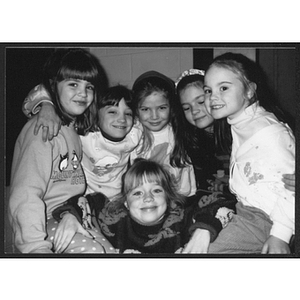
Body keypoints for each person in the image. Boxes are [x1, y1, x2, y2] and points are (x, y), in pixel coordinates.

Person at [8, 48, 115, 254]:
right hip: (41, 223)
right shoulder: (44, 129)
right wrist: (36, 247)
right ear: (53, 87)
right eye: (73, 84)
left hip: (71, 213)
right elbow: (26, 193)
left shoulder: (72, 129)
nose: (83, 94)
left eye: (89, 87)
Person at [203, 52, 295, 254]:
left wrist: (280, 234)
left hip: (268, 217)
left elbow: (293, 185)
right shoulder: (239, 122)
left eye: (224, 88)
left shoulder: (270, 133)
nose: (213, 97)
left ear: (249, 91)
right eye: (208, 90)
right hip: (248, 210)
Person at [52, 158, 237, 254]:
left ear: (168, 197)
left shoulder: (181, 217)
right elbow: (88, 200)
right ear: (126, 202)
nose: (148, 198)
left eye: (156, 190)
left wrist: (203, 231)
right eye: (137, 193)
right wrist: (70, 216)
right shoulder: (114, 219)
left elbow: (223, 200)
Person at [22, 84, 143, 200]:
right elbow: (41, 92)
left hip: (119, 197)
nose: (122, 119)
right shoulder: (86, 134)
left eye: (128, 114)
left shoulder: (135, 135)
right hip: (85, 197)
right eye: (112, 112)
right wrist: (47, 105)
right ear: (96, 113)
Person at [130, 71, 196, 197]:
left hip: (179, 196)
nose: (154, 116)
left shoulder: (179, 128)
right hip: (146, 198)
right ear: (136, 111)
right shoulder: (134, 133)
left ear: (171, 107)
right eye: (145, 109)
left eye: (162, 108)